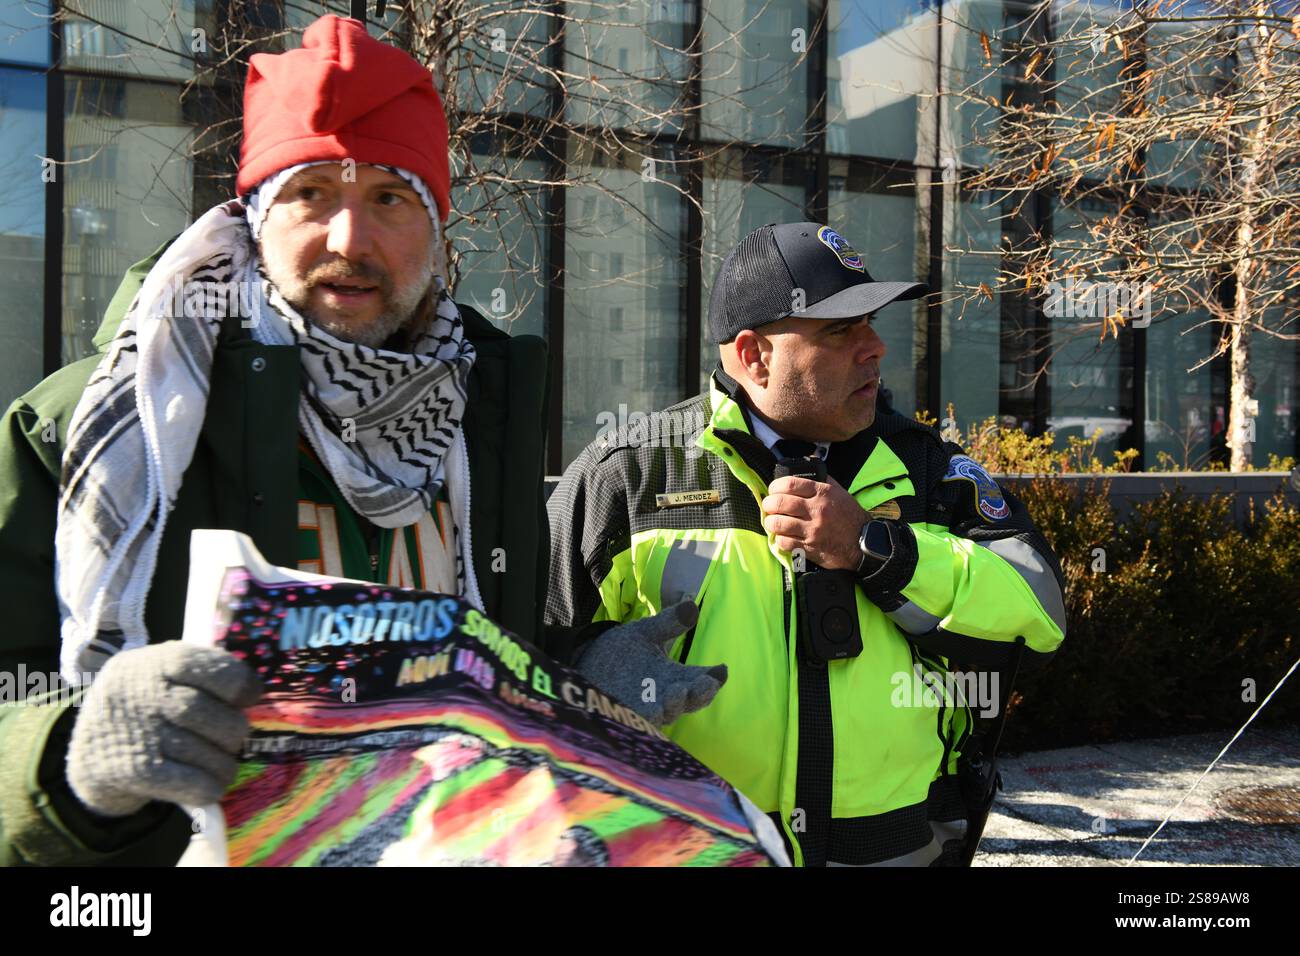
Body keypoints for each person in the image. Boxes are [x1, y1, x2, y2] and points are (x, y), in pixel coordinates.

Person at [0, 14, 685, 867]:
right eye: (312, 192)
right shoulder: (85, 428)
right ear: (257, 216)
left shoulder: (482, 423)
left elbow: (480, 676)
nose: (349, 241)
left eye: (390, 198)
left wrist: (581, 691)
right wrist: (72, 761)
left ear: (437, 230)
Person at [545, 222, 1068, 867]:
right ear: (754, 355)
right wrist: (593, 671)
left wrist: (876, 548)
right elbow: (520, 658)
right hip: (690, 849)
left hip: (892, 851)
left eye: (871, 323)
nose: (875, 347)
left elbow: (1041, 611)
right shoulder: (628, 474)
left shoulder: (928, 467)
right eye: (840, 330)